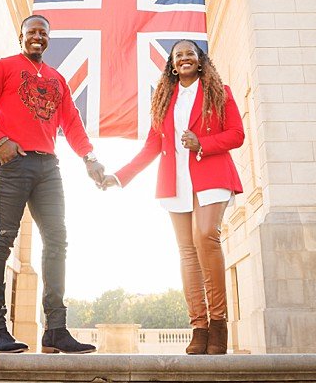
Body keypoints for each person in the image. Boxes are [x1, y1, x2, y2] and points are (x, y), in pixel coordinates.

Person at [0, 14, 107, 354]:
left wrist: (89, 158)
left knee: (57, 242)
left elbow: (72, 124)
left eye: (43, 33)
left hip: (48, 166)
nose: (37, 37)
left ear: (48, 39)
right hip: (12, 163)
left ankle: (56, 330)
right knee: (2, 240)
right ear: (21, 36)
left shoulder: (58, 80)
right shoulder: (3, 68)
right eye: (32, 31)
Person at [102, 40, 244, 355]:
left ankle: (219, 323)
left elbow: (237, 134)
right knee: (187, 252)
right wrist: (120, 175)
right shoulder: (165, 100)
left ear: (200, 59)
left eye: (189, 53)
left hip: (212, 173)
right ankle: (199, 326)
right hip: (175, 180)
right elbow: (152, 146)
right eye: (178, 55)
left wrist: (203, 143)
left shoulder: (221, 91)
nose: (184, 58)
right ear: (171, 63)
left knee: (206, 235)